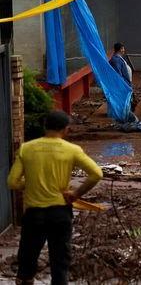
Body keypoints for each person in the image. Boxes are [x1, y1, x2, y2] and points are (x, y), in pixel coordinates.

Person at [7, 111, 103, 285]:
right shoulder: (72, 150)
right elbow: (96, 174)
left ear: (45, 127)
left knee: (27, 258)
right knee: (60, 261)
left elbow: (13, 182)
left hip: (33, 214)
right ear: (66, 130)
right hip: (60, 213)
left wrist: (31, 184)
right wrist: (76, 194)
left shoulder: (26, 148)